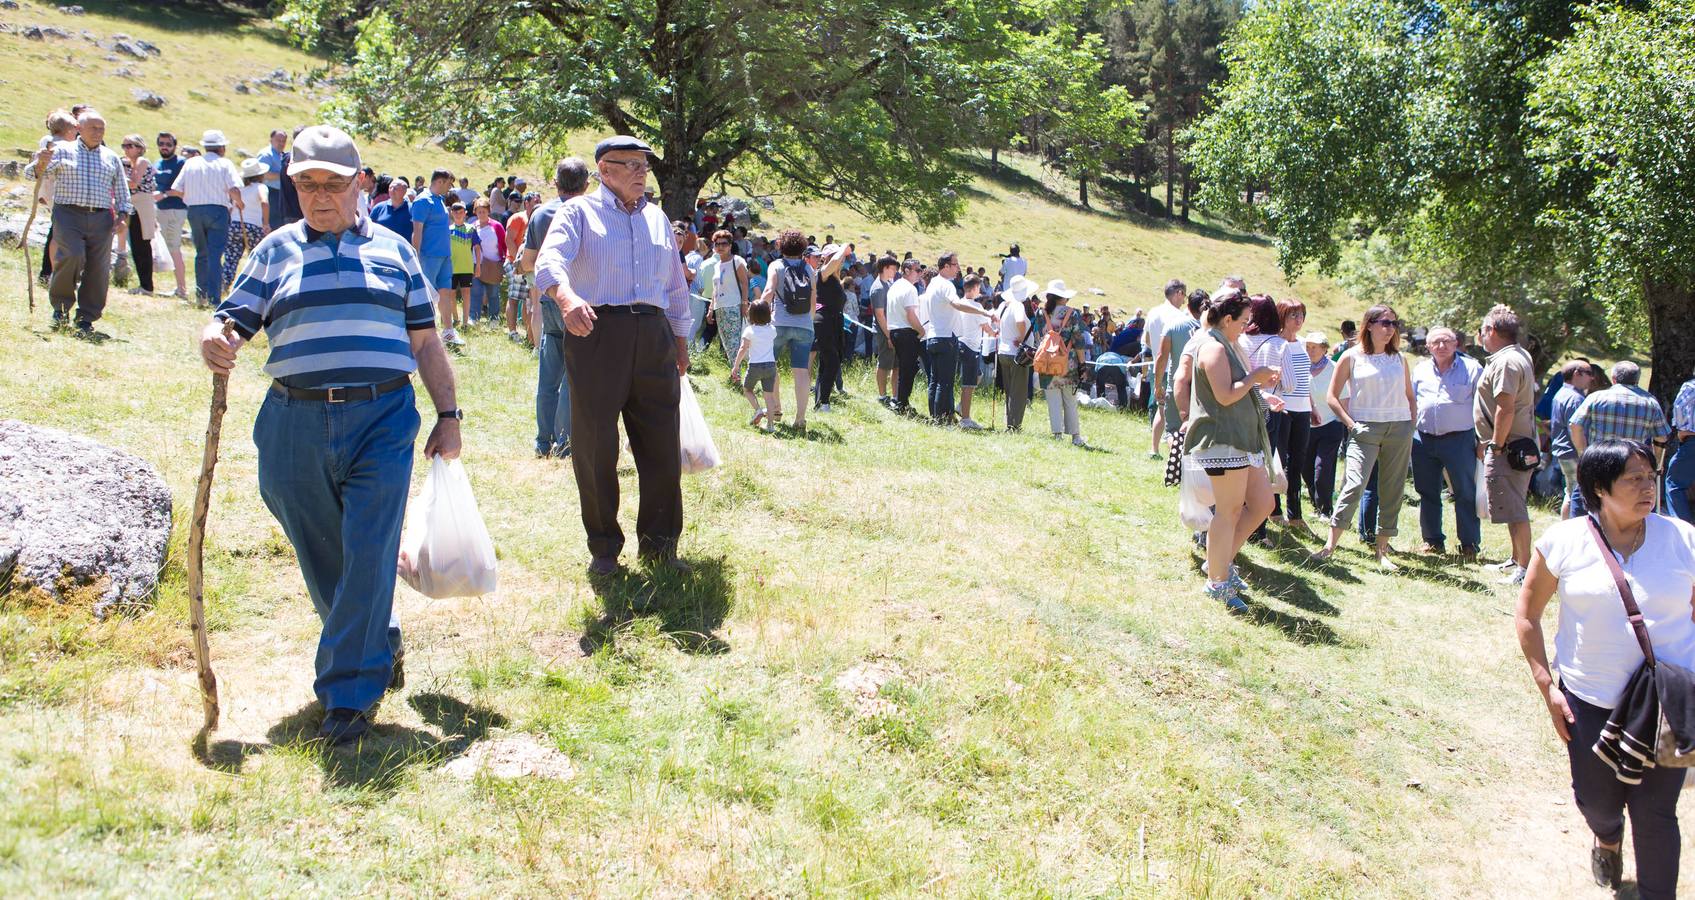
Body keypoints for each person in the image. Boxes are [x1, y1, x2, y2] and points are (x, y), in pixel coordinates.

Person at [198, 125, 461, 745]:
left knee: (370, 548)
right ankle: (379, 639)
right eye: (306, 183)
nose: (319, 195)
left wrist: (449, 417)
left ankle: (347, 696)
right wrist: (216, 337)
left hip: (383, 417)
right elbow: (234, 319)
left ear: (359, 184)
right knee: (324, 553)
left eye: (332, 183)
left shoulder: (396, 252)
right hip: (293, 421)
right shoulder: (273, 250)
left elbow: (426, 341)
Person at [1514, 440, 1695, 899]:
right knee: (1597, 802)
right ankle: (1607, 838)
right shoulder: (1564, 542)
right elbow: (1528, 615)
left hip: (1666, 707)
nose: (1646, 486)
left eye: (1650, 476)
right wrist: (1546, 686)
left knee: (1656, 814)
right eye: (1632, 478)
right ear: (1599, 488)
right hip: (1590, 701)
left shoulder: (1684, 539)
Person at [534, 135, 692, 576]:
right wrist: (566, 299)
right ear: (605, 170)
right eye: (633, 165)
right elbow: (549, 262)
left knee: (662, 443)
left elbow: (675, 285)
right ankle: (604, 548)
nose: (643, 172)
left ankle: (661, 546)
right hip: (597, 332)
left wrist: (679, 340)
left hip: (654, 336)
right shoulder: (578, 212)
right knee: (595, 445)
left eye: (646, 165)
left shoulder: (658, 218)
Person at [1186, 290, 1279, 610]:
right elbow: (1224, 396)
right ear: (1227, 320)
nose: (1247, 326)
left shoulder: (1229, 345)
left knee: (1263, 503)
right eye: (1243, 321)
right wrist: (1255, 377)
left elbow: (1237, 391)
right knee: (1228, 512)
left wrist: (1261, 392)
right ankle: (1217, 580)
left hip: (1242, 440)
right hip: (1221, 441)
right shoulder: (1212, 348)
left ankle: (1220, 562)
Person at [1313, 306, 1416, 569]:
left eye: (1394, 323)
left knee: (1392, 490)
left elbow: (1410, 396)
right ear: (1369, 325)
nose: (1390, 328)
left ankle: (1382, 552)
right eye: (1384, 322)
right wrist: (1350, 424)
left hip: (1399, 428)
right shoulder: (1351, 356)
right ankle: (1329, 546)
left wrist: (1410, 425)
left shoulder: (1399, 359)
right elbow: (1332, 397)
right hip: (1364, 429)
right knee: (1354, 485)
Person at [26, 108, 131, 335]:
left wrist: (123, 216)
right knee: (71, 254)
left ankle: (86, 319)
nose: (98, 132)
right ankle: (61, 309)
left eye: (101, 128)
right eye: (93, 127)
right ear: (79, 129)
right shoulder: (62, 150)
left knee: (98, 267)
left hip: (102, 217)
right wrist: (39, 164)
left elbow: (123, 192)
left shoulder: (111, 157)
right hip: (68, 214)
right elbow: (31, 173)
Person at [521, 158, 590, 459]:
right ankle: (565, 443)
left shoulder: (540, 213)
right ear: (586, 185)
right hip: (579, 299)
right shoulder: (589, 213)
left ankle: (542, 441)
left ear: (556, 183)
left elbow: (528, 261)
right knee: (572, 375)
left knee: (548, 373)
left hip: (549, 298)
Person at [1475, 304, 1541, 584]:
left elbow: (1506, 408)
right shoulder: (1516, 354)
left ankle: (1524, 569)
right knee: (1510, 505)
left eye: (1482, 330)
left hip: (1509, 446)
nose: (1480, 336)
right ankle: (1516, 559)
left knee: (1514, 508)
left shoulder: (1505, 362)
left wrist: (1497, 446)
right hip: (1513, 443)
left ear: (1490, 330)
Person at [1409, 326, 1484, 558]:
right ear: (1428, 346)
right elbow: (1411, 401)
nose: (1441, 346)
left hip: (1459, 439)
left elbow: (1482, 408)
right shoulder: (1420, 369)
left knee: (1464, 491)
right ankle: (1432, 540)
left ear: (1456, 344)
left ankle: (1469, 544)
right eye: (1436, 343)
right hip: (1423, 439)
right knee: (1427, 490)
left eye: (1446, 342)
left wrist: (1482, 440)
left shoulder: (1472, 369)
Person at [170, 129, 243, 308]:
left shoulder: (191, 163)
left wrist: (192, 199)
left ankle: (201, 294)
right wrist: (239, 203)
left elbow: (177, 190)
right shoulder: (225, 164)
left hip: (194, 210)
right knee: (215, 254)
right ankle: (214, 298)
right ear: (221, 148)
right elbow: (234, 188)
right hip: (218, 210)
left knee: (201, 254)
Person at [923, 251, 993, 424]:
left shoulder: (933, 283)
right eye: (955, 265)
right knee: (944, 383)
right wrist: (982, 311)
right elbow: (957, 304)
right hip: (946, 337)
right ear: (945, 266)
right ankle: (941, 419)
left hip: (933, 336)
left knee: (935, 380)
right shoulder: (946, 285)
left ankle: (935, 416)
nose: (958, 269)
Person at [759, 230, 817, 430]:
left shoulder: (776, 266)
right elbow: (813, 300)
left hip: (779, 323)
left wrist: (756, 310)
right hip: (804, 325)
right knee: (801, 372)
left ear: (781, 246)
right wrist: (807, 320)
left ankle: (775, 409)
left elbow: (768, 291)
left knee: (771, 366)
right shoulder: (809, 269)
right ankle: (800, 419)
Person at [1242, 295, 1290, 536]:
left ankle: (1240, 516)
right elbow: (1290, 384)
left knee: (1241, 463)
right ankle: (1258, 526)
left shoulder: (1240, 340)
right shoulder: (1280, 344)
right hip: (1270, 408)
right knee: (1262, 466)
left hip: (1242, 406)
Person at [1571, 362, 1671, 464]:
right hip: (1632, 462)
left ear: (1613, 379)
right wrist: (1657, 464)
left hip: (1598, 459)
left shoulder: (1596, 397)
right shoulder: (1650, 402)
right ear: (1637, 380)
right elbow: (1661, 437)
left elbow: (1575, 425)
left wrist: (1583, 453)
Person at [1039, 280, 1087, 447]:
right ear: (1064, 297)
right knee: (1070, 400)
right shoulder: (1072, 314)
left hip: (1047, 362)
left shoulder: (1042, 313)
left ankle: (1057, 434)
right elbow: (1079, 341)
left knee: (1053, 401)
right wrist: (1083, 365)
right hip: (1068, 363)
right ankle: (1075, 436)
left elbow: (1040, 337)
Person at [1144, 279, 1190, 456]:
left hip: (1157, 366)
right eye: (1183, 296)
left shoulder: (1153, 312)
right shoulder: (1179, 317)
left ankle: (1154, 448)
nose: (1184, 300)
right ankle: (1177, 452)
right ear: (1178, 293)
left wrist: (1157, 351)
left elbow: (1147, 340)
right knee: (1178, 414)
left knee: (1160, 409)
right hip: (1173, 368)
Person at [1303, 331, 1346, 519]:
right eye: (1308, 347)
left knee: (1323, 468)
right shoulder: (1301, 367)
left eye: (1315, 347)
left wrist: (1343, 421)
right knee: (1305, 468)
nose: (1311, 351)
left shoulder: (1334, 368)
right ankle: (1316, 504)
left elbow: (1344, 397)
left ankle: (1326, 509)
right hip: (1306, 426)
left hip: (1330, 425)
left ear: (1324, 349)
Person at [1549, 359, 1598, 518]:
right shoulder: (1575, 399)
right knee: (1576, 495)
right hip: (1573, 452)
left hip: (1564, 452)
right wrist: (1584, 453)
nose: (1592, 378)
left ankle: (1566, 528)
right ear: (1577, 373)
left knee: (1570, 493)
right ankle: (1570, 532)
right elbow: (1576, 429)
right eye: (1589, 373)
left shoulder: (1562, 393)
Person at [410, 169, 455, 338]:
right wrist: (416, 255)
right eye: (449, 184)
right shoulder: (423, 201)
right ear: (440, 182)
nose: (450, 188)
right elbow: (417, 230)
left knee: (445, 291)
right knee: (425, 294)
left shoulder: (440, 200)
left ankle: (448, 331)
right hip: (428, 255)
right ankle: (424, 331)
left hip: (444, 255)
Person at [812, 244, 854, 413]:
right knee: (832, 361)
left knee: (827, 362)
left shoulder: (836, 279)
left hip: (835, 321)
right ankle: (824, 402)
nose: (842, 260)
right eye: (839, 257)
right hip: (824, 321)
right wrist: (844, 247)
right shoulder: (822, 274)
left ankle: (820, 402)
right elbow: (835, 260)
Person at [994, 276, 1037, 432]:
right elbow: (1020, 322)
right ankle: (1014, 425)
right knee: (1018, 392)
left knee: (1010, 390)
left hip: (1004, 352)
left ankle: (1009, 421)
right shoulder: (1018, 305)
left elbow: (996, 322)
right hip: (1016, 355)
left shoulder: (1005, 306)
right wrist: (1020, 338)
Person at [116, 133, 156, 296]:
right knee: (137, 244)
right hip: (135, 203)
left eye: (129, 146)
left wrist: (116, 176)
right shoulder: (129, 163)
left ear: (139, 148)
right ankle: (144, 284)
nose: (126, 149)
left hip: (142, 204)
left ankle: (147, 285)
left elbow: (133, 183)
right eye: (124, 146)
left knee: (142, 244)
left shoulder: (142, 162)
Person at [151, 131, 189, 299]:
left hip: (174, 209)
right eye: (161, 144)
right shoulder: (157, 163)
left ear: (175, 146)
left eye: (168, 144)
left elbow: (184, 189)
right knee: (163, 246)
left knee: (173, 247)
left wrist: (165, 194)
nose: (164, 147)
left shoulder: (181, 163)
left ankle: (182, 289)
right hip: (158, 209)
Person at [731, 299, 779, 431]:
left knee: (747, 389)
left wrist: (736, 366)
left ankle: (758, 409)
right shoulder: (772, 330)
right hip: (770, 366)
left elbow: (743, 349)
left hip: (755, 366)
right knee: (769, 395)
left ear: (751, 315)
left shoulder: (749, 331)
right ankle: (770, 425)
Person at [885, 258, 926, 414]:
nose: (919, 274)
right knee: (908, 369)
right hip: (906, 332)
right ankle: (902, 403)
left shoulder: (894, 287)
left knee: (905, 368)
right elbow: (910, 314)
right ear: (907, 270)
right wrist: (921, 331)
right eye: (917, 270)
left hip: (895, 331)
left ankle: (901, 400)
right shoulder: (910, 289)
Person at [222, 159, 269, 292]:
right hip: (254, 226)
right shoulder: (261, 187)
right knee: (256, 258)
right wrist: (266, 223)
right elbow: (264, 202)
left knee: (231, 257)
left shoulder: (240, 188)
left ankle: (225, 282)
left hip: (235, 224)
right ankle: (254, 285)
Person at [956, 275, 993, 430]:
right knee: (969, 384)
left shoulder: (959, 303)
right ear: (975, 288)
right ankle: (965, 418)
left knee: (976, 376)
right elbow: (987, 328)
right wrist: (995, 333)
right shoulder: (977, 308)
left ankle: (960, 407)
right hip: (971, 347)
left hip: (960, 343)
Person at [468, 198, 508, 327]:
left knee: (493, 293)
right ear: (475, 213)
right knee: (476, 291)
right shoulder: (473, 227)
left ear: (488, 211)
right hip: (477, 264)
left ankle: (494, 318)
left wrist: (504, 259)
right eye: (479, 212)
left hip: (494, 264)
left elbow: (504, 243)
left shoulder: (496, 226)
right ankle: (474, 317)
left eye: (484, 212)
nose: (482, 214)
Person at [504, 193, 536, 344]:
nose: (538, 203)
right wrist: (518, 263)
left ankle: (529, 334)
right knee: (514, 297)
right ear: (526, 203)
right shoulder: (518, 218)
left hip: (528, 266)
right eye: (535, 201)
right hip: (514, 263)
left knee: (528, 300)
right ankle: (512, 331)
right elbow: (509, 239)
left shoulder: (537, 217)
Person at [868, 257, 898, 403]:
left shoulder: (888, 284)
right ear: (885, 268)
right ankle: (882, 396)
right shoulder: (878, 288)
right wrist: (889, 336)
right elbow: (880, 315)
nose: (895, 271)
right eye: (893, 268)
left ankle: (895, 396)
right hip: (884, 331)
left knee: (894, 364)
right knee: (884, 363)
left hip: (891, 330)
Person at [256, 128, 287, 231]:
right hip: (270, 192)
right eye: (279, 140)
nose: (281, 143)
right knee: (272, 222)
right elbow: (263, 174)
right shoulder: (266, 154)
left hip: (280, 193)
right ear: (271, 141)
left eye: (283, 141)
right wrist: (283, 175)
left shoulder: (282, 155)